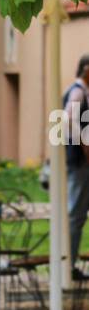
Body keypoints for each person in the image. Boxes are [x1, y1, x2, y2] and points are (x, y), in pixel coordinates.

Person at [64, 55, 89, 280]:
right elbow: (71, 122)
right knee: (76, 215)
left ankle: (70, 265)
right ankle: (69, 266)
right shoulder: (78, 92)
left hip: (79, 162)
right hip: (80, 163)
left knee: (78, 214)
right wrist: (86, 148)